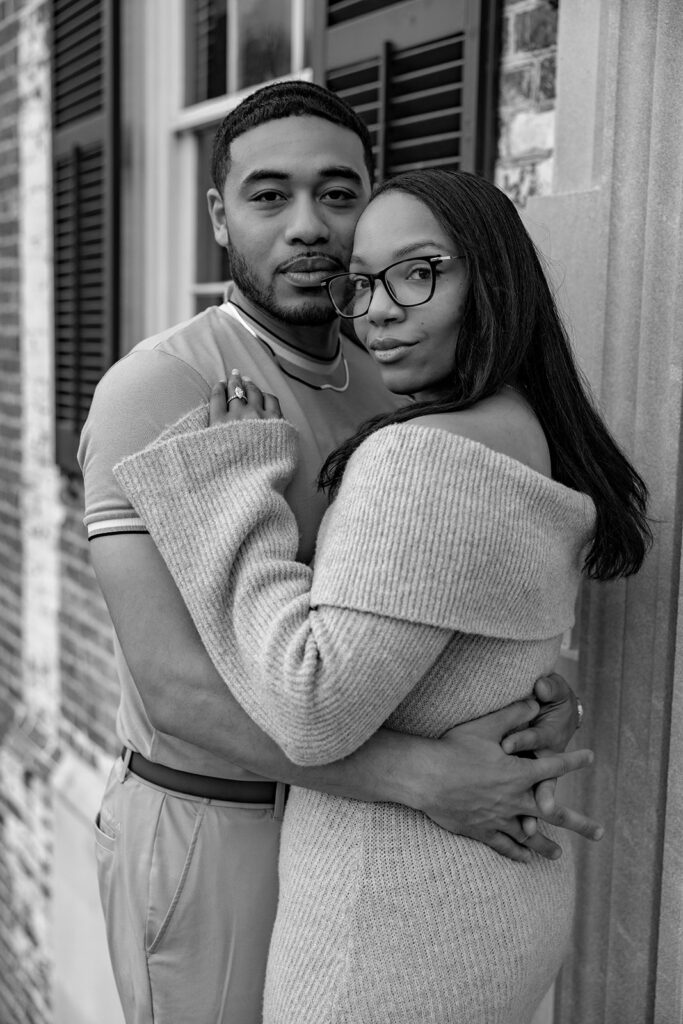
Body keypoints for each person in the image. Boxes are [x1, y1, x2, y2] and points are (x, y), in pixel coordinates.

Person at [79, 83, 599, 1024]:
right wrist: (426, 777)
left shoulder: (398, 368)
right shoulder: (159, 389)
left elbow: (426, 606)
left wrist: (523, 704)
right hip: (217, 828)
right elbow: (175, 690)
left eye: (338, 192)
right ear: (219, 214)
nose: (308, 225)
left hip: (362, 846)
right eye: (270, 196)